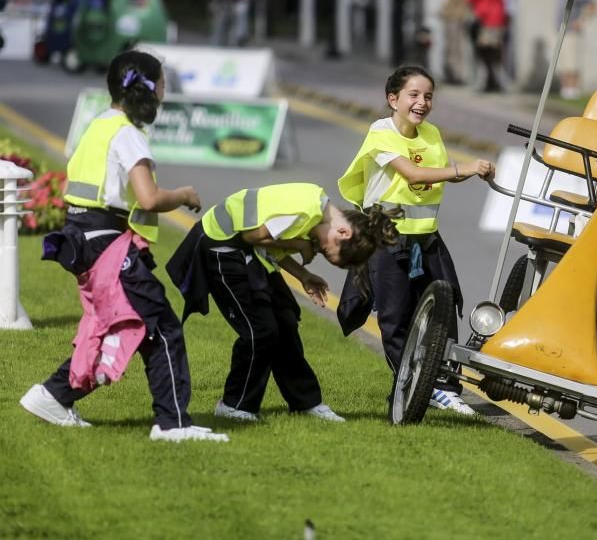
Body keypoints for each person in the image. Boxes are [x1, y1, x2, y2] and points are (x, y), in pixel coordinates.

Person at [19, 50, 228, 443]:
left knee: (135, 327)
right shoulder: (129, 134)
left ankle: (53, 395)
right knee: (163, 327)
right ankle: (172, 425)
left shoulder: (100, 124)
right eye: (163, 83)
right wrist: (183, 194)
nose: (166, 91)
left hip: (85, 237)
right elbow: (148, 199)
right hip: (106, 243)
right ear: (147, 90)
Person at [165, 184, 399, 423]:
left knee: (285, 322)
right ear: (342, 232)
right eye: (325, 250)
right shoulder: (306, 211)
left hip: (246, 249)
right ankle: (233, 405)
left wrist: (304, 276)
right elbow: (253, 236)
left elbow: (270, 244)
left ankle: (305, 402)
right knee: (261, 331)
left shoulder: (317, 206)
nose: (317, 248)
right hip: (222, 246)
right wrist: (301, 245)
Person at [336, 66, 495, 415]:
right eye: (414, 95)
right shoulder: (381, 133)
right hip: (385, 238)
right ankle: (419, 383)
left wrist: (475, 170)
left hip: (425, 238)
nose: (422, 103)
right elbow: (412, 172)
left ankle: (443, 385)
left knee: (446, 302)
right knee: (395, 319)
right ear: (393, 99)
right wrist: (460, 169)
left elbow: (441, 172)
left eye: (428, 96)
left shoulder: (431, 133)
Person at [465, 0, 507, 93]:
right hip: (497, 22)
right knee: (492, 53)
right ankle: (492, 81)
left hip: (488, 23)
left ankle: (492, 82)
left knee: (485, 53)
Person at [556, 0, 597, 99]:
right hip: (560, 32)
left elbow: (593, 5)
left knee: (572, 63)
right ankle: (565, 91)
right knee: (563, 63)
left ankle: (572, 91)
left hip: (572, 33)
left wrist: (581, 21)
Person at [438, 0, 472, 85]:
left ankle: (458, 75)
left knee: (457, 48)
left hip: (456, 18)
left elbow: (459, 1)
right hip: (451, 17)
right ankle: (453, 73)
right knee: (451, 47)